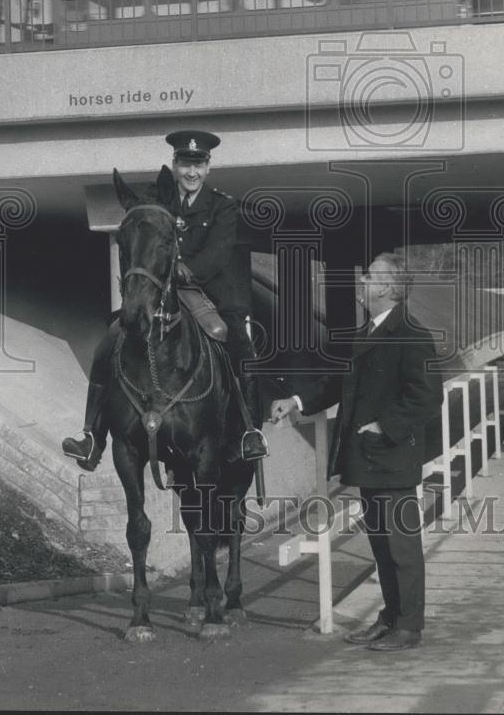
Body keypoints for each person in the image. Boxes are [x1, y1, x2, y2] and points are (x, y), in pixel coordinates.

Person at [62, 129, 266, 470]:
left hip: (207, 292)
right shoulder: (162, 198)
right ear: (174, 165)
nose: (191, 172)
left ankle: (249, 432)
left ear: (208, 168)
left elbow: (217, 254)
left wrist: (186, 270)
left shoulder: (222, 204)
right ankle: (92, 437)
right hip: (160, 292)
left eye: (198, 165)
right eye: (185, 164)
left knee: (240, 344)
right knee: (111, 340)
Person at [271, 252, 443, 652]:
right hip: (369, 457)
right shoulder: (367, 331)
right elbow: (336, 383)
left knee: (400, 545)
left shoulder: (411, 335)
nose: (362, 281)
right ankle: (392, 616)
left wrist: (385, 426)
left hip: (391, 454)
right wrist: (297, 400)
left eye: (370, 276)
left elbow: (427, 395)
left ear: (387, 287)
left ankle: (409, 627)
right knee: (381, 544)